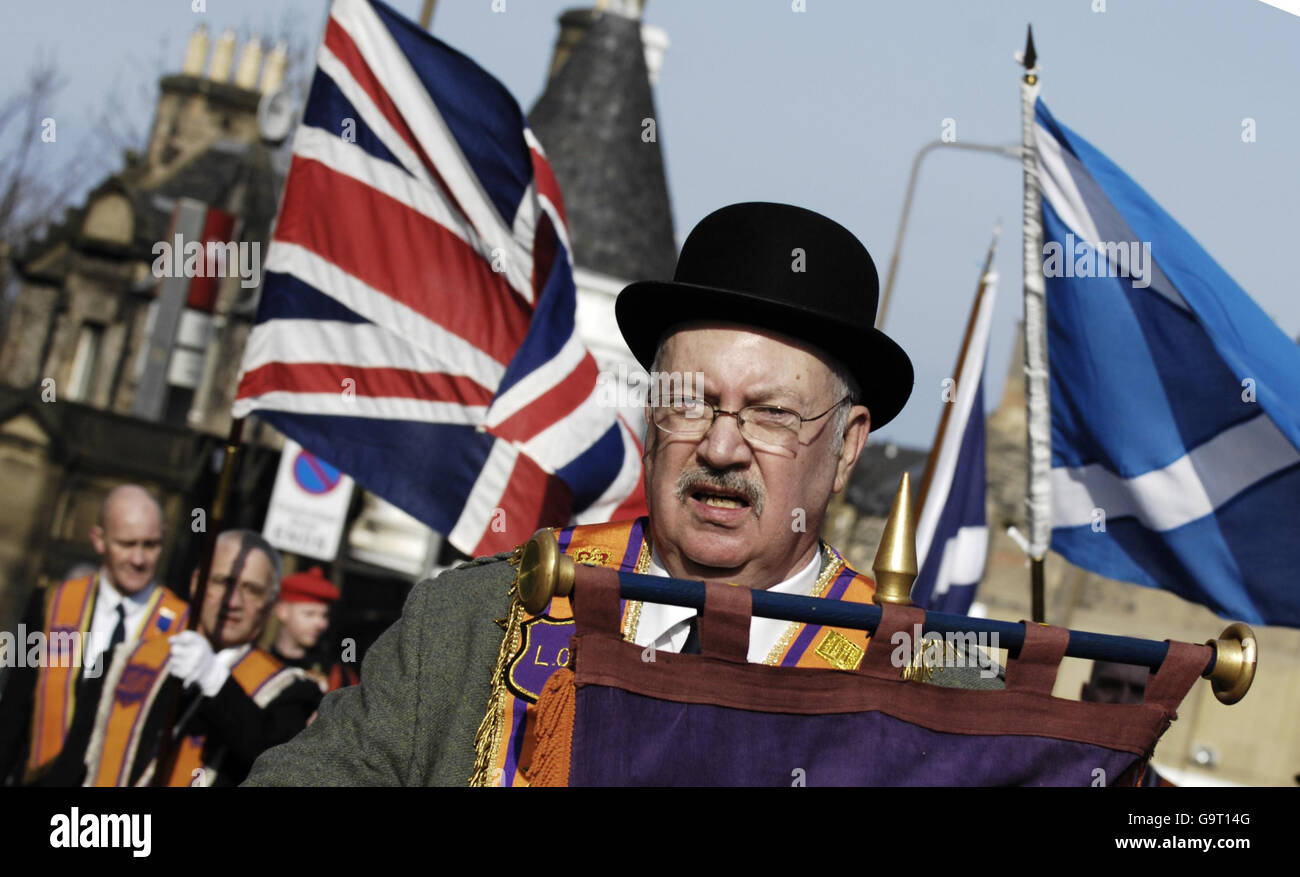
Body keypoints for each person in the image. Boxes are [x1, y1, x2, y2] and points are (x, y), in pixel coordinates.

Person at [245, 202, 1002, 788]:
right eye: (691, 400)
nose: (720, 446)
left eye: (771, 413)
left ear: (847, 447)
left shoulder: (939, 691)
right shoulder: (474, 622)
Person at [82, 529, 321, 786]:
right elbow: (74, 765)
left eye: (251, 590)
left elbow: (277, 765)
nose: (233, 602)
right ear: (196, 583)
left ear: (271, 604)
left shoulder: (293, 692)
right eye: (222, 582)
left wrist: (216, 682)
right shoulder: (122, 660)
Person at [0, 485, 189, 786]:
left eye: (151, 544)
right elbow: (14, 704)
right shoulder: (51, 601)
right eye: (127, 544)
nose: (139, 559)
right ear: (99, 540)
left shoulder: (181, 624)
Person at [270, 566, 358, 692]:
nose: (321, 623)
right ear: (282, 611)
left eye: (324, 615)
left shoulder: (337, 676)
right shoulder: (253, 661)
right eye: (309, 614)